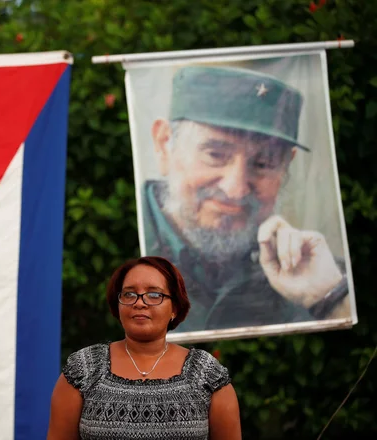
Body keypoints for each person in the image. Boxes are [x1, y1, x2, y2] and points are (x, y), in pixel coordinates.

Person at [142, 65, 350, 332]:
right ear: (164, 144)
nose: (236, 190)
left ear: (286, 166)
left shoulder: (317, 274)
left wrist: (329, 296)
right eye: (215, 155)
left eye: (263, 163)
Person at [47, 256, 241, 440]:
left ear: (174, 308)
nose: (139, 303)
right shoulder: (83, 369)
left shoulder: (206, 373)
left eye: (154, 294)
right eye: (129, 294)